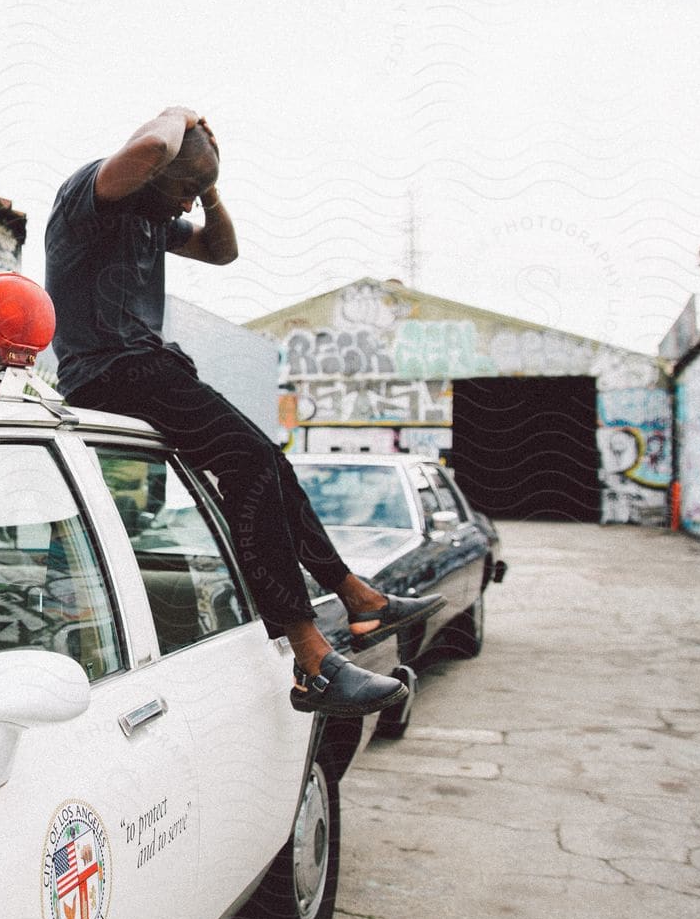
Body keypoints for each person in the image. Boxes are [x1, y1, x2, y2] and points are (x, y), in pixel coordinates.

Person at [44, 105, 444, 715]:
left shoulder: (157, 214)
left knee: (269, 465)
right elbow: (153, 149)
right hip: (108, 369)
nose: (186, 207)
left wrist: (207, 188)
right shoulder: (92, 194)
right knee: (250, 464)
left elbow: (223, 252)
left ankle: (356, 596)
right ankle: (311, 660)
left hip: (147, 366)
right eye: (183, 191)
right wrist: (178, 113)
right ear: (155, 175)